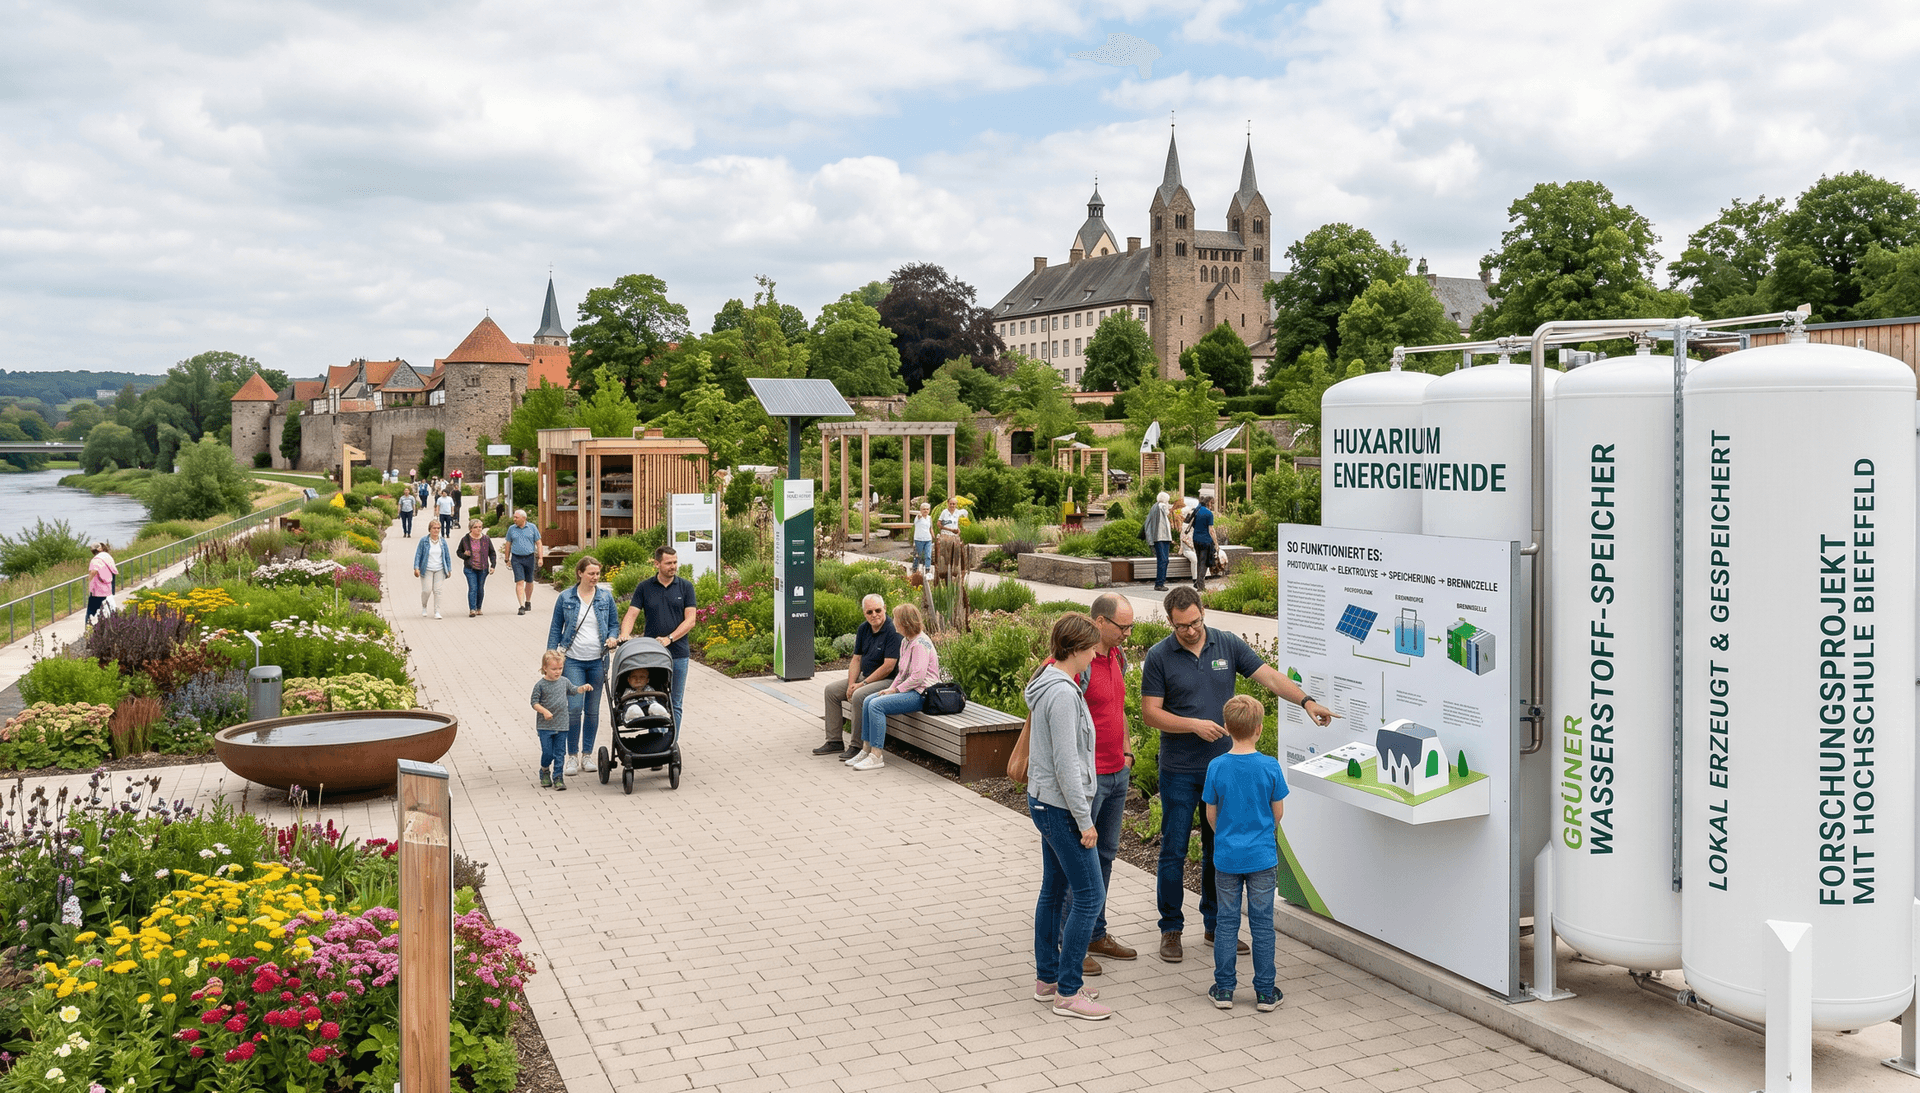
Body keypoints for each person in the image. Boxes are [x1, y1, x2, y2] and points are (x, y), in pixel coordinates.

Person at [1141, 585, 1336, 964]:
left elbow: (1270, 678)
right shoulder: (1159, 656)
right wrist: (1193, 726)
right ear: (1170, 622)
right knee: (1174, 849)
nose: (1191, 630)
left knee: (1219, 849)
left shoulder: (1227, 644)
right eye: (1182, 626)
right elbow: (1151, 713)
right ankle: (1171, 929)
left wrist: (1306, 701)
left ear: (1203, 612)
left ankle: (1217, 925)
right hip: (1180, 770)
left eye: (1196, 622)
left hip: (1223, 770)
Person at [1025, 613, 1112, 1021]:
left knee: (1055, 890)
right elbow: (1065, 763)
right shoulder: (1061, 694)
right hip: (1060, 807)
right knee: (1090, 895)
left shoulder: (1052, 683)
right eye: (1092, 648)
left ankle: (1049, 980)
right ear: (1076, 649)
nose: (1097, 654)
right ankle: (1069, 992)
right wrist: (1085, 820)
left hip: (1045, 801)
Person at [1202, 694, 1289, 1012]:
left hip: (1226, 857)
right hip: (1262, 857)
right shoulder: (1270, 766)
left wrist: (1225, 835)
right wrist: (1262, 833)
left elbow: (1211, 813)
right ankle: (1266, 992)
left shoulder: (1217, 766)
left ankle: (1224, 989)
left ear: (1226, 727)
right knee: (1262, 923)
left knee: (1226, 921)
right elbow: (1277, 811)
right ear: (1259, 729)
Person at [1082, 593, 1139, 965]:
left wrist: (1128, 751)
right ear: (1100, 622)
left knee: (1105, 856)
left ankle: (1095, 933)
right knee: (1081, 861)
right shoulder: (1077, 662)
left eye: (1131, 626)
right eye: (1123, 627)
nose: (1128, 634)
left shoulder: (1115, 655)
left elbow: (1117, 709)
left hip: (1117, 771)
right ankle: (1069, 939)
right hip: (1088, 779)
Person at [547, 555, 620, 776]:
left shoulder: (605, 598)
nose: (595, 577)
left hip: (598, 660)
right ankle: (572, 756)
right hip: (574, 661)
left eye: (597, 573)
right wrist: (551, 658)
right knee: (574, 708)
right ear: (580, 573)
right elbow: (555, 628)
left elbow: (614, 624)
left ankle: (588, 754)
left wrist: (613, 637)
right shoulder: (565, 597)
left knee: (592, 711)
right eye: (591, 573)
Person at [616, 546, 698, 731]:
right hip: (652, 655)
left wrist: (670, 638)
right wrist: (624, 635)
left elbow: (691, 620)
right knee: (654, 698)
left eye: (675, 562)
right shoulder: (644, 587)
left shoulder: (685, 587)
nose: (673, 566)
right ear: (657, 564)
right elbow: (631, 614)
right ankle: (655, 740)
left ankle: (669, 744)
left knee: (674, 701)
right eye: (668, 563)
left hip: (678, 654)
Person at [849, 603, 939, 771]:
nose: (894, 622)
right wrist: (891, 688)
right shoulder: (906, 641)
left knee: (877, 705)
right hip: (910, 690)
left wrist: (896, 690)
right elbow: (902, 672)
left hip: (922, 693)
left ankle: (876, 756)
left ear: (905, 622)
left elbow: (917, 678)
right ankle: (865, 750)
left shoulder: (920, 643)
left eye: (897, 619)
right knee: (869, 700)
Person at [812, 594, 899, 757]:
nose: (874, 615)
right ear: (864, 613)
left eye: (878, 610)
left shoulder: (892, 630)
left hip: (888, 681)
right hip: (865, 678)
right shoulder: (863, 629)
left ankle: (857, 746)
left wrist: (861, 685)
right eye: (869, 612)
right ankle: (834, 741)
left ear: (885, 608)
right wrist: (852, 684)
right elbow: (856, 659)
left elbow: (889, 666)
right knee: (831, 691)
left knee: (859, 695)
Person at [532, 650, 592, 790]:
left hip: (562, 724)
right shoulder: (540, 685)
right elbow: (534, 702)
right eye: (554, 669)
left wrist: (582, 688)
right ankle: (545, 770)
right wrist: (544, 711)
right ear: (545, 668)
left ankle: (558, 777)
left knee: (560, 753)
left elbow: (573, 690)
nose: (557, 672)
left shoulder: (564, 681)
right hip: (545, 726)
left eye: (560, 668)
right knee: (548, 752)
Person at [454, 518, 497, 617]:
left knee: (480, 588)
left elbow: (492, 553)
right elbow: (458, 552)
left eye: (480, 527)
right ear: (470, 529)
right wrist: (465, 555)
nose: (478, 529)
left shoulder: (486, 539)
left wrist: (493, 565)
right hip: (470, 568)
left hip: (483, 568)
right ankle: (472, 609)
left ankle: (479, 608)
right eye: (475, 527)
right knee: (473, 588)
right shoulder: (465, 539)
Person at [413, 521, 454, 618]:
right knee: (427, 590)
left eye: (438, 528)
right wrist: (416, 568)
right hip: (426, 568)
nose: (436, 530)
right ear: (430, 529)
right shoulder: (424, 540)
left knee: (438, 590)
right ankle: (424, 606)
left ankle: (437, 611)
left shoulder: (442, 541)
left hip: (440, 569)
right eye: (434, 528)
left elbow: (447, 556)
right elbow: (418, 554)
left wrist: (449, 569)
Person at [505, 509, 542, 614]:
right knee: (519, 581)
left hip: (530, 557)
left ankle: (528, 601)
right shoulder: (511, 529)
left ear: (523, 518)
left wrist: (540, 558)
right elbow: (508, 544)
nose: (514, 519)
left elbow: (538, 543)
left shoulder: (532, 527)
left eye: (516, 517)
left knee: (529, 581)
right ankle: (521, 605)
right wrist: (507, 558)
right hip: (516, 558)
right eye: (514, 517)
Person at [1143, 492, 1173, 591]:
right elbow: (1167, 511)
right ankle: (1159, 583)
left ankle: (1160, 582)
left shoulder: (1154, 507)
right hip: (1161, 537)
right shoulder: (1161, 506)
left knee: (1163, 560)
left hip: (1160, 537)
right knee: (1163, 560)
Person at [84, 542, 118, 625]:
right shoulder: (108, 557)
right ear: (101, 548)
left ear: (92, 551)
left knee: (91, 611)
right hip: (108, 588)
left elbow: (93, 572)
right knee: (107, 609)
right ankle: (109, 626)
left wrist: (88, 580)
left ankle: (89, 628)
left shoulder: (95, 560)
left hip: (97, 590)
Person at [1190, 496, 1215, 590]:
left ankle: (1197, 582)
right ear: (1208, 502)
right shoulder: (1209, 513)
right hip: (1206, 541)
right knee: (1204, 563)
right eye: (1212, 503)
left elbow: (1193, 525)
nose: (1212, 505)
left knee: (1199, 561)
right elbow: (1211, 530)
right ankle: (1201, 585)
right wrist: (1216, 544)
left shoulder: (1197, 510)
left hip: (1196, 539)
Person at [911, 503, 934, 575]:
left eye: (927, 509)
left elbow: (931, 528)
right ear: (921, 510)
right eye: (924, 509)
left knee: (928, 555)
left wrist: (934, 536)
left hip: (928, 539)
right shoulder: (918, 517)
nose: (926, 511)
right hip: (919, 539)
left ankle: (927, 570)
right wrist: (919, 515)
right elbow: (918, 516)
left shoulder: (929, 518)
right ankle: (915, 569)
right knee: (918, 555)